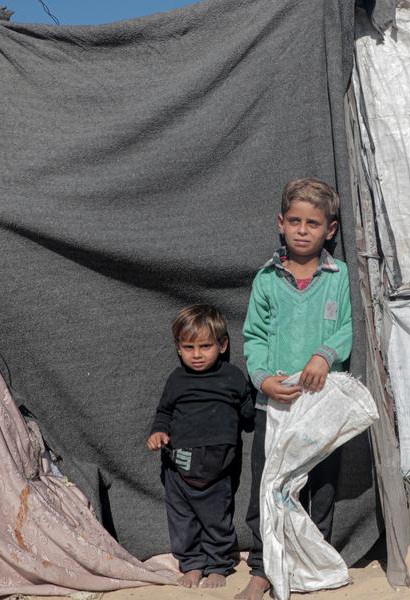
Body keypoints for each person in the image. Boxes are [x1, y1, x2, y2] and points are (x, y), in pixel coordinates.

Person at [235, 177, 353, 600]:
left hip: (321, 403)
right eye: (295, 221)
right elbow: (255, 336)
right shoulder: (267, 279)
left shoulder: (338, 276)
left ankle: (309, 563)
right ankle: (264, 567)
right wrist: (263, 378)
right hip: (276, 402)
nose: (304, 230)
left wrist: (323, 355)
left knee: (319, 484)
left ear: (330, 230)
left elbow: (345, 328)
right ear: (281, 224)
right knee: (268, 484)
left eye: (314, 223)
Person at [148, 304, 254, 589]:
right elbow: (164, 412)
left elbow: (248, 412)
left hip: (217, 471)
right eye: (188, 347)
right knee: (182, 521)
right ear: (178, 348)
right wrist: (158, 432)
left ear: (222, 345)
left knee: (217, 520)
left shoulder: (233, 377)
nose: (196, 354)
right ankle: (192, 564)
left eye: (205, 346)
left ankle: (219, 566)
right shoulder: (177, 380)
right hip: (178, 468)